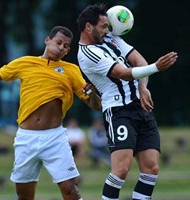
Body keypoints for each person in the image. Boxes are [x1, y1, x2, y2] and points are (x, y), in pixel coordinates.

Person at [0, 26, 101, 200]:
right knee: (23, 196)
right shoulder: (25, 63)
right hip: (26, 139)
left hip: (55, 138)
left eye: (66, 46)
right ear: (47, 40)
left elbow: (95, 105)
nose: (61, 48)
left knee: (71, 191)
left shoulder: (71, 70)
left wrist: (92, 95)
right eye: (58, 42)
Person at [76, 3, 178, 200]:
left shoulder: (110, 38)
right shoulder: (87, 54)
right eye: (104, 26)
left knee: (151, 168)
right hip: (118, 111)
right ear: (89, 27)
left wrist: (143, 87)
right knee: (121, 170)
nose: (109, 30)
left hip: (141, 107)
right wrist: (156, 67)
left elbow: (140, 62)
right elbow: (123, 73)